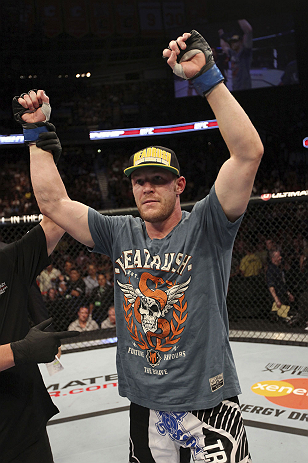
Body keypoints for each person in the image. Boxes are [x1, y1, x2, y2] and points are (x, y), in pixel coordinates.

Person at [15, 30, 263, 462]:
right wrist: (37, 136)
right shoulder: (119, 232)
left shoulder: (208, 223)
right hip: (145, 402)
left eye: (159, 180)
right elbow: (53, 203)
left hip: (209, 399)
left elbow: (247, 154)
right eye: (138, 180)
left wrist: (208, 82)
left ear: (179, 185)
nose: (147, 188)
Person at [0, 215, 79, 462]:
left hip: (23, 416)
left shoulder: (6, 259)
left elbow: (57, 218)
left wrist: (43, 333)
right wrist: (21, 351)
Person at [219, 19, 253, 91]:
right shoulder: (233, 53)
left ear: (241, 42)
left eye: (235, 41)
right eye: (232, 41)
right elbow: (224, 46)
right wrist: (221, 35)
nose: (233, 43)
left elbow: (248, 31)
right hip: (235, 87)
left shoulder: (245, 53)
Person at [266, 249, 295, 320]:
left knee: (290, 315)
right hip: (277, 298)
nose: (280, 258)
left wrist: (288, 294)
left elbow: (282, 284)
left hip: (282, 296)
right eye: (278, 256)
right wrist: (276, 300)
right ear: (273, 259)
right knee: (286, 316)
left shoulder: (278, 269)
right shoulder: (271, 269)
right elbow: (271, 286)